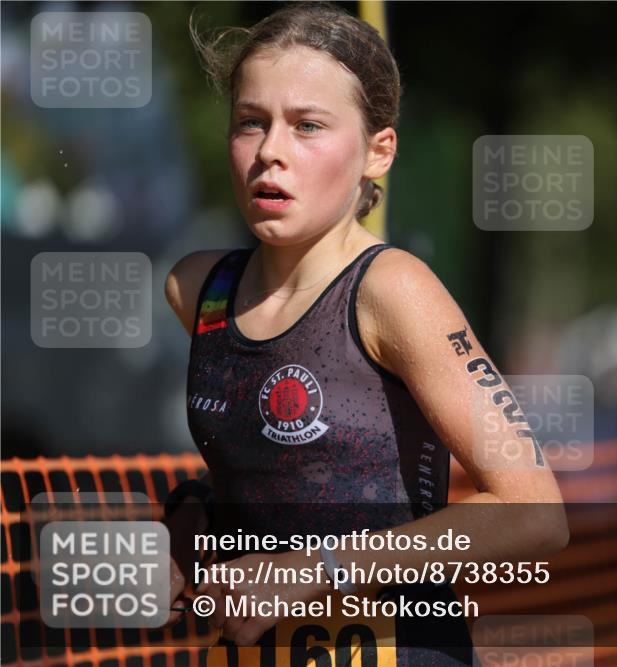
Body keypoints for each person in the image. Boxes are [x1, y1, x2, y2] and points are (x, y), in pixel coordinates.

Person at [162, 3, 569, 665]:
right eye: (251, 123)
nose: (271, 152)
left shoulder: (392, 290)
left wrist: (310, 571)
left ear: (378, 152)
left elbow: (534, 512)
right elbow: (273, 482)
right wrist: (191, 523)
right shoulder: (199, 291)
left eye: (308, 126)